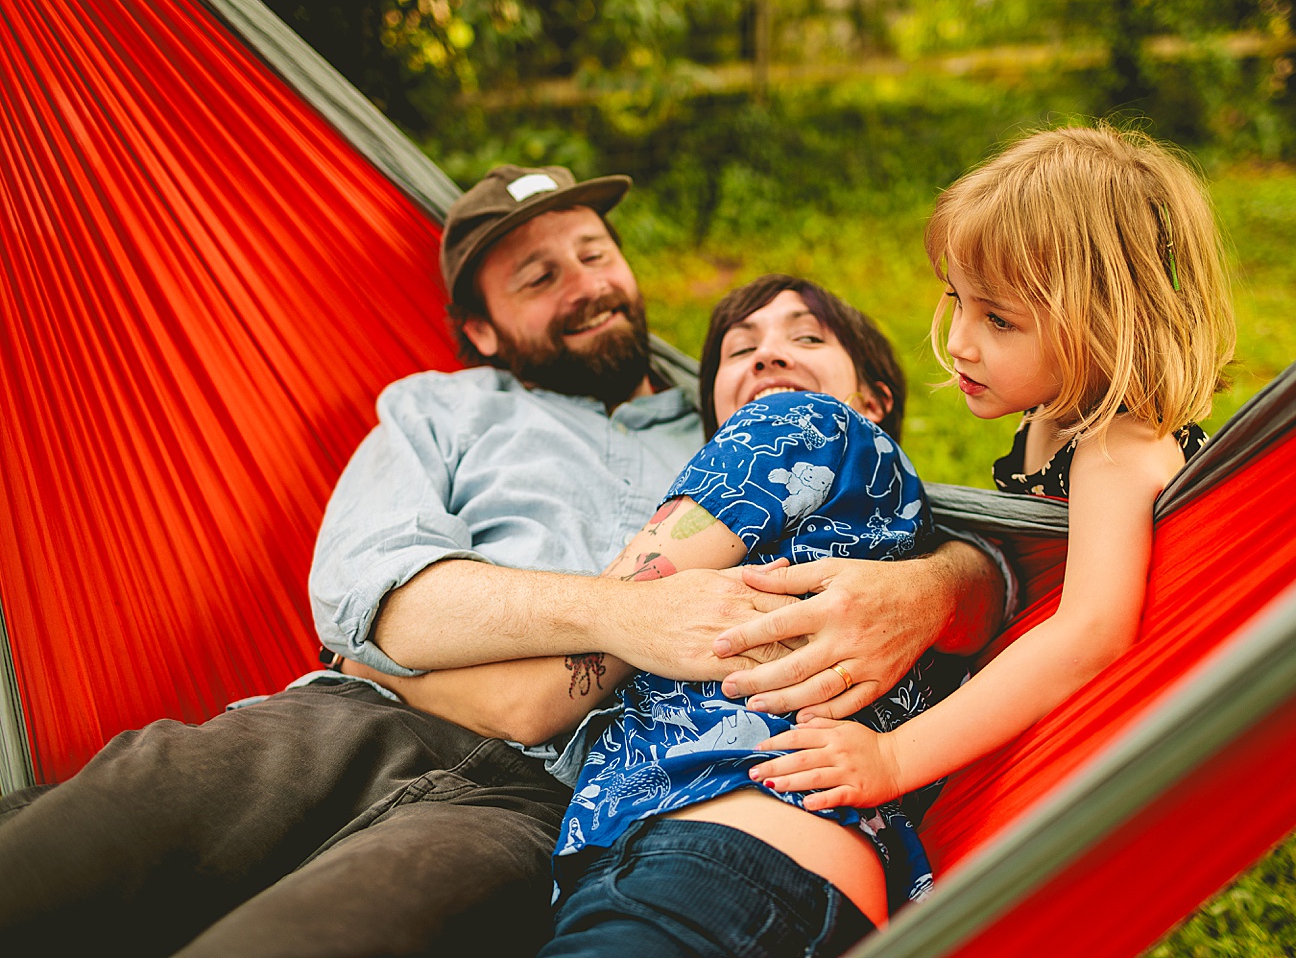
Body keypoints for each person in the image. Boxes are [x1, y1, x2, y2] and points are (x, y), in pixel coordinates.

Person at [0, 165, 1007, 958]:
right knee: (61, 859)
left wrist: (939, 583)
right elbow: (381, 600)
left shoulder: (736, 417)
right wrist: (619, 619)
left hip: (546, 808)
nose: (586, 285)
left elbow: (945, 538)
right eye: (540, 275)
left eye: (594, 254)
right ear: (482, 331)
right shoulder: (437, 410)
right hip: (346, 722)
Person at [744, 124, 1235, 860]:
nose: (962, 341)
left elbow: (1089, 637)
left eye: (998, 318)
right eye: (959, 301)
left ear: (1105, 325)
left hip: (1087, 746)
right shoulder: (1061, 410)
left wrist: (896, 760)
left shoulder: (1117, 445)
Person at [538, 275, 957, 958]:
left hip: (711, 860)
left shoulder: (795, 424)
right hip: (799, 878)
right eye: (741, 349)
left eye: (807, 336)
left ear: (874, 400)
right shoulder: (893, 531)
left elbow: (562, 666)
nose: (768, 355)